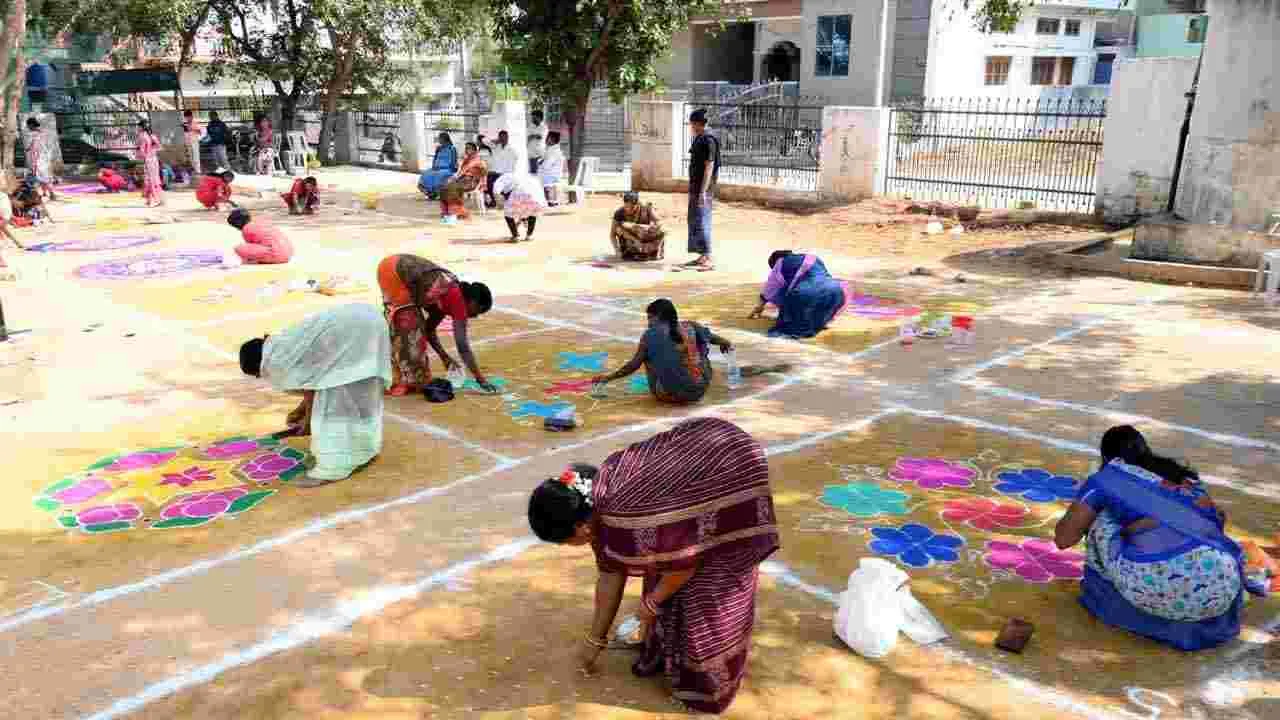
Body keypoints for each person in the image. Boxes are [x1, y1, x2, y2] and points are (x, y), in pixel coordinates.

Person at [527, 417, 780, 713]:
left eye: (564, 542)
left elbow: (684, 561)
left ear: (580, 529)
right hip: (693, 473)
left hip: (729, 464)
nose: (569, 547)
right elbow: (610, 574)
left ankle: (710, 687)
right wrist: (594, 642)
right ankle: (665, 646)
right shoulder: (594, 508)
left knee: (704, 592)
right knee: (660, 567)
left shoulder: (623, 515)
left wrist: (651, 603)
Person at [1054, 425, 1262, 651]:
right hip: (1222, 588)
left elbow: (1064, 539)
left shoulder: (1107, 478)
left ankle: (1106, 600)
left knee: (1102, 517)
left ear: (1106, 457)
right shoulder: (1185, 480)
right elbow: (1218, 522)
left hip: (1164, 593)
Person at [239, 303, 391, 488]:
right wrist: (300, 411)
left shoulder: (276, 358)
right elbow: (311, 380)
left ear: (259, 365)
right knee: (360, 388)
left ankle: (332, 469)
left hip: (355, 330)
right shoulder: (281, 344)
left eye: (258, 375)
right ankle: (364, 449)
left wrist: (309, 422)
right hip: (368, 321)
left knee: (332, 407)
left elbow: (313, 388)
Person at [376, 254, 497, 396]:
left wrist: (444, 357)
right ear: (473, 302)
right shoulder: (457, 300)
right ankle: (404, 381)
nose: (475, 316)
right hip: (394, 272)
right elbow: (462, 346)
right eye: (478, 311)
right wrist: (481, 380)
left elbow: (429, 330)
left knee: (414, 326)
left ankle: (408, 378)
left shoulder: (446, 296)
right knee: (409, 325)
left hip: (393, 267)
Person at [592, 299, 732, 405]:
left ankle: (670, 383)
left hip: (669, 395)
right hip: (700, 390)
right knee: (698, 348)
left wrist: (608, 378)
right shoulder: (691, 326)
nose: (648, 323)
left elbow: (633, 365)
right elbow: (716, 339)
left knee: (649, 355)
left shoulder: (649, 335)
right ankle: (691, 378)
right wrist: (725, 343)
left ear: (658, 316)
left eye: (649, 318)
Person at [748, 250, 850, 338]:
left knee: (781, 334)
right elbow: (823, 282)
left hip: (807, 293)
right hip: (839, 292)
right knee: (813, 326)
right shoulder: (814, 258)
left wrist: (758, 309)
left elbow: (769, 291)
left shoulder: (780, 263)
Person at [681, 108, 720, 272]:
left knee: (702, 219)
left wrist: (703, 191)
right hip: (696, 186)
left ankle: (708, 257)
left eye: (692, 123)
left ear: (697, 123)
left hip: (703, 187)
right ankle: (702, 255)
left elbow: (709, 166)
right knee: (695, 219)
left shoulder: (708, 140)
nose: (691, 126)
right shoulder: (700, 138)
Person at [440, 142, 487, 224]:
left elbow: (465, 170)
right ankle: (447, 213)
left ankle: (459, 213)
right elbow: (460, 172)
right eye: (466, 148)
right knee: (443, 187)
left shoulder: (477, 160)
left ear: (474, 150)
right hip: (462, 180)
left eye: (468, 148)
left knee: (451, 187)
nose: (466, 150)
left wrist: (454, 178)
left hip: (471, 182)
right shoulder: (466, 159)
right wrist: (453, 178)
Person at [611, 191, 665, 261]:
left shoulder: (646, 208)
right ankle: (635, 253)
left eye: (632, 207)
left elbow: (659, 223)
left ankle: (652, 252)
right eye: (626, 206)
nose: (628, 210)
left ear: (638, 204)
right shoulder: (619, 213)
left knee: (662, 230)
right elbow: (612, 234)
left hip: (645, 238)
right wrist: (617, 250)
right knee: (619, 229)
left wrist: (651, 228)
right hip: (631, 241)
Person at [492, 173, 546, 242]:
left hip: (519, 193)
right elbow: (523, 210)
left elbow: (496, 192)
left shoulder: (499, 180)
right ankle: (529, 235)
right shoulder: (519, 174)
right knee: (532, 212)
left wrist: (499, 204)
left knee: (508, 215)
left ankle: (515, 236)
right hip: (535, 194)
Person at [228, 208, 293, 265]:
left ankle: (268, 259)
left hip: (277, 255)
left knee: (239, 248)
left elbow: (250, 248)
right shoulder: (260, 222)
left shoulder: (246, 228)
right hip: (288, 254)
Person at [23, 117, 57, 201]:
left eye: (28, 125)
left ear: (31, 125)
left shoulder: (31, 134)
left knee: (40, 177)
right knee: (44, 176)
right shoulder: (44, 133)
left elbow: (28, 147)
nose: (28, 127)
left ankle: (51, 194)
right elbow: (49, 146)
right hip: (45, 158)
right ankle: (45, 193)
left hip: (37, 160)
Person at [417, 133, 457, 199]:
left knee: (439, 175)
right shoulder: (439, 148)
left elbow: (453, 160)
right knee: (426, 174)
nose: (439, 140)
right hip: (436, 168)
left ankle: (436, 193)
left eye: (440, 138)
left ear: (445, 139)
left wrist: (452, 169)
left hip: (447, 168)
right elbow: (435, 159)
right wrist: (434, 167)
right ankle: (428, 193)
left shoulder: (452, 148)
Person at [486, 130, 518, 208]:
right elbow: (484, 141)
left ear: (508, 138)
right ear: (499, 138)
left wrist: (504, 173)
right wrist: (495, 141)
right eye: (501, 137)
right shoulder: (496, 146)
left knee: (502, 187)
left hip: (506, 173)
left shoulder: (512, 149)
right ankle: (494, 201)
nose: (503, 139)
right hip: (495, 172)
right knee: (489, 180)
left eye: (505, 137)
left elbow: (512, 163)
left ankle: (505, 201)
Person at [137, 120, 164, 208]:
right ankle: (152, 199)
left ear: (141, 127)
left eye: (138, 127)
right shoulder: (152, 135)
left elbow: (141, 151)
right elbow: (160, 147)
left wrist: (143, 156)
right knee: (154, 179)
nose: (138, 128)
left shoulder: (142, 136)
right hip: (154, 159)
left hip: (148, 160)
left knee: (150, 179)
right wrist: (153, 151)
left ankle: (155, 200)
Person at [539, 131, 565, 205]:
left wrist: (540, 163)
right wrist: (541, 162)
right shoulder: (550, 149)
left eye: (548, 138)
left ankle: (550, 201)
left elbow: (546, 165)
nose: (546, 139)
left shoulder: (554, 151)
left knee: (538, 179)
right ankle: (549, 200)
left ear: (553, 139)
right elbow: (542, 160)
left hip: (551, 175)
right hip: (549, 174)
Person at [183, 110, 203, 175]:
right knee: (191, 157)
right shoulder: (185, 124)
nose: (187, 118)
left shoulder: (195, 123)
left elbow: (200, 132)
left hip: (194, 142)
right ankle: (194, 170)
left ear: (191, 116)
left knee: (196, 157)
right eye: (186, 117)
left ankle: (198, 171)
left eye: (188, 117)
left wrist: (191, 129)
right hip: (188, 142)